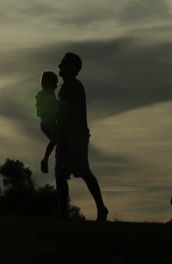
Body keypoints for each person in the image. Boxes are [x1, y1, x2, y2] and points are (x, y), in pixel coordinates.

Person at [54, 52, 108, 221]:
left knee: (82, 171)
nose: (59, 66)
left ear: (70, 67)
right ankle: (64, 212)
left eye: (62, 64)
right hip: (68, 135)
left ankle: (101, 208)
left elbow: (66, 112)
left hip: (75, 136)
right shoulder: (68, 87)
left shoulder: (73, 86)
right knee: (61, 174)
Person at [36, 71, 59, 174]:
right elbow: (52, 107)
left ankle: (46, 159)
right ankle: (45, 159)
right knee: (56, 139)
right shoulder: (48, 94)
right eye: (54, 83)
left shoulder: (43, 94)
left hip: (45, 123)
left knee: (56, 140)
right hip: (47, 122)